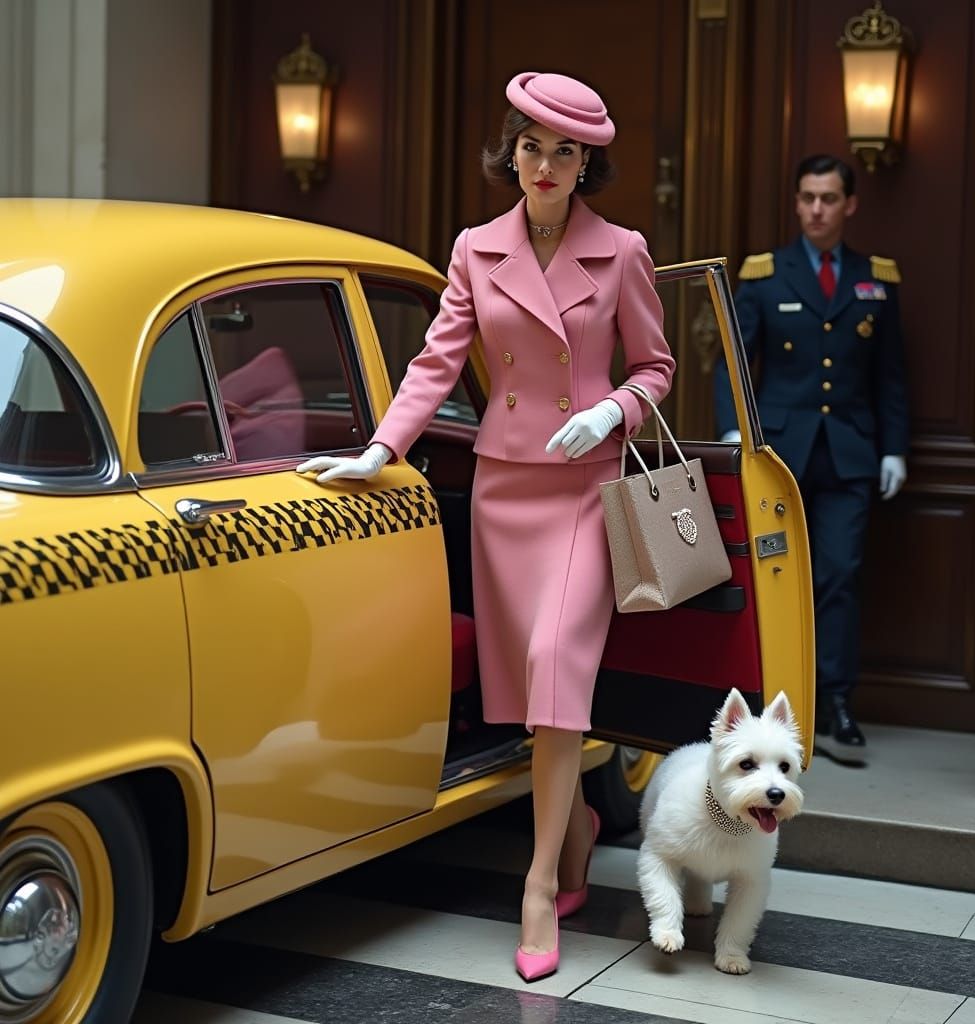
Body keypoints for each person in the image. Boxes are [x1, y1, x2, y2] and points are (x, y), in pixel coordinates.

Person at [297, 72, 674, 979]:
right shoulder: (476, 247)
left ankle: (538, 881)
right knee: (533, 701)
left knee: (553, 675)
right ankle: (578, 825)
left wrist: (613, 411)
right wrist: (379, 448)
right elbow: (437, 361)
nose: (544, 166)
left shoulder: (621, 251)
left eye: (566, 152)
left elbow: (657, 367)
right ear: (510, 150)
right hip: (506, 488)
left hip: (584, 484)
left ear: (589, 164)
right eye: (531, 147)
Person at [713, 153, 909, 762]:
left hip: (850, 453)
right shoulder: (767, 275)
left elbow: (891, 374)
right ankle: (774, 708)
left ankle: (835, 703)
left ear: (849, 204)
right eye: (807, 198)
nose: (817, 209)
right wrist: (731, 429)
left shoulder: (874, 278)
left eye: (828, 198)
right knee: (772, 578)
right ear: (796, 203)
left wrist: (894, 449)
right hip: (779, 454)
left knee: (840, 576)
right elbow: (734, 361)